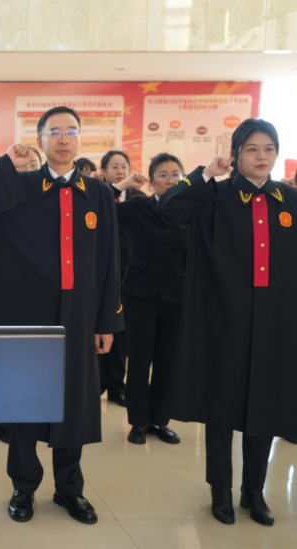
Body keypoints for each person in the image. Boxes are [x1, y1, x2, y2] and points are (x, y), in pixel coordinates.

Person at [0, 106, 122, 526]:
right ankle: (24, 486)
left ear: (80, 138)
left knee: (74, 403)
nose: (64, 138)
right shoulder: (20, 186)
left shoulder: (99, 193)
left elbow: (109, 260)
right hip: (26, 317)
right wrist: (4, 168)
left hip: (80, 316)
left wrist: (107, 321)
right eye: (55, 132)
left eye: (71, 131)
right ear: (40, 140)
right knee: (25, 403)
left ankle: (70, 488)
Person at [159, 118, 297, 527]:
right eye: (252, 149)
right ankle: (220, 489)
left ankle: (253, 491)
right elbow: (169, 208)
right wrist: (204, 174)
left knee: (265, 406)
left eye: (268, 149)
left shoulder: (289, 200)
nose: (261, 157)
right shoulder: (214, 194)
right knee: (220, 406)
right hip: (222, 320)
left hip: (275, 322)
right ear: (236, 154)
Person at [110, 154, 187, 445]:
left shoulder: (192, 210)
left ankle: (159, 421)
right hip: (140, 294)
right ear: (152, 180)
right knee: (140, 361)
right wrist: (123, 185)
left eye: (175, 175)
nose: (170, 180)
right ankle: (138, 422)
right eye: (163, 175)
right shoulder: (138, 206)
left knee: (167, 363)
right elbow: (103, 209)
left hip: (176, 295)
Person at [95, 150, 143, 407]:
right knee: (99, 329)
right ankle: (96, 384)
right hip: (101, 273)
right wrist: (120, 186)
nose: (121, 170)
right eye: (114, 166)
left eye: (124, 165)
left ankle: (116, 386)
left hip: (128, 274)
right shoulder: (97, 194)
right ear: (103, 171)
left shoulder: (138, 198)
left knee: (121, 332)